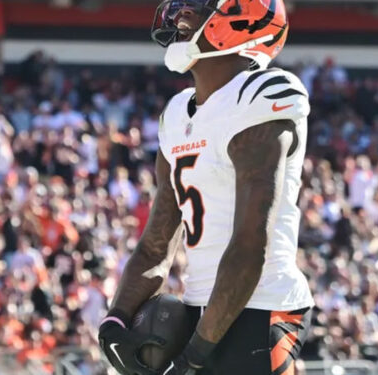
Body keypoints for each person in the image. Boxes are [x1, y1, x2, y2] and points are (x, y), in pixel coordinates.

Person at [98, 0, 313, 374]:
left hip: (261, 304)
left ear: (241, 17)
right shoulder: (178, 112)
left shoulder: (264, 93)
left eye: (196, 7)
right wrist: (116, 318)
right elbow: (156, 243)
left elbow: (250, 242)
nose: (181, 14)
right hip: (199, 306)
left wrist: (196, 354)